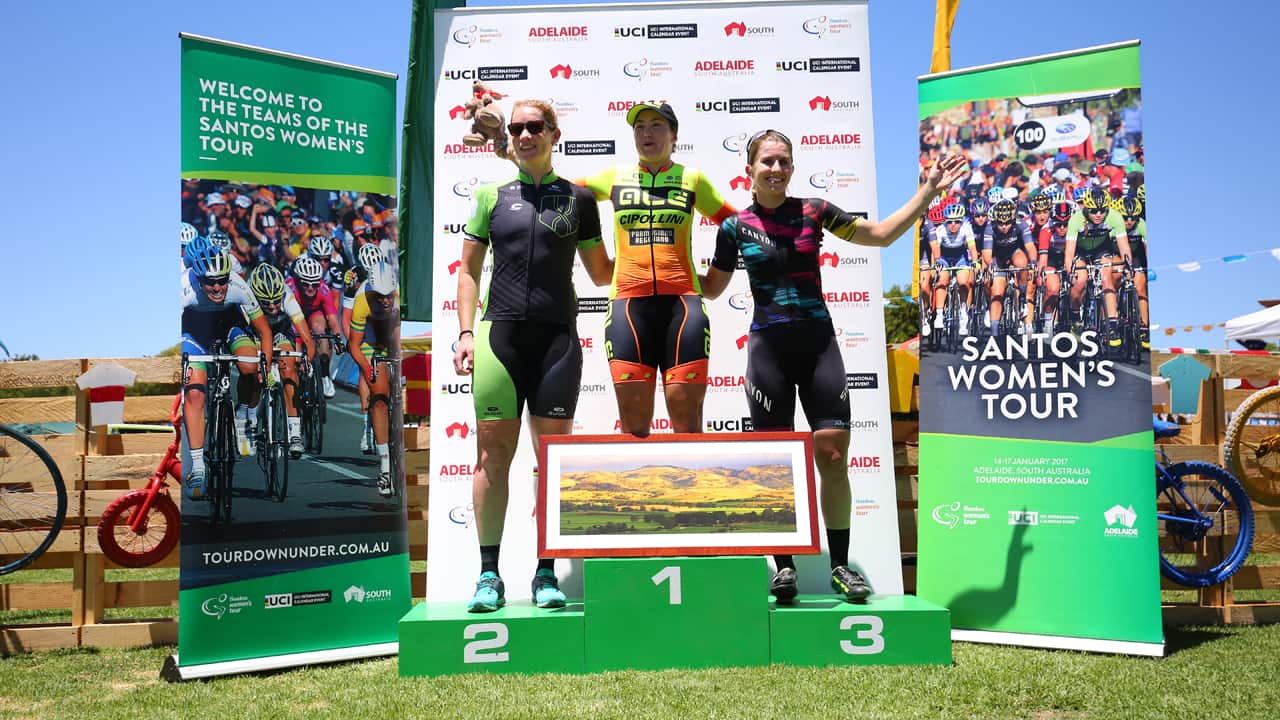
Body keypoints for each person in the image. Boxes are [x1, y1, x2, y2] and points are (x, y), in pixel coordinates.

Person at [703, 130, 968, 603]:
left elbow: (881, 235)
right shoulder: (734, 227)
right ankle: (782, 567)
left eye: (784, 161)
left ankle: (840, 566)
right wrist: (661, 250)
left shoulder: (814, 211)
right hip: (769, 350)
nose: (776, 169)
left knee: (831, 456)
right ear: (750, 170)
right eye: (767, 161)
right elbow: (711, 288)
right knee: (775, 465)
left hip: (818, 343)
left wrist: (928, 193)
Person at [453, 99, 613, 612]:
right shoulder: (489, 196)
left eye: (534, 127)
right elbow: (468, 272)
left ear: (554, 133)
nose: (525, 135)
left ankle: (546, 574)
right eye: (517, 128)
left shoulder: (579, 199)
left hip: (557, 344)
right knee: (492, 457)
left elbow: (603, 273)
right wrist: (463, 333)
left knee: (551, 464)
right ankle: (488, 575)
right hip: (499, 340)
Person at [577, 103, 735, 437]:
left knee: (686, 417)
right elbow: (560, 191)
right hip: (628, 307)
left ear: (674, 135)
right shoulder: (614, 177)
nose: (646, 133)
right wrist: (507, 153)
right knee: (633, 422)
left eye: (656, 126)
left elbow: (736, 223)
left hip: (683, 306)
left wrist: (717, 277)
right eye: (640, 127)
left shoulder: (692, 180)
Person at [180, 239, 273, 499]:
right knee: (195, 392)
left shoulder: (237, 285)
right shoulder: (182, 287)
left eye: (222, 280)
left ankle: (244, 414)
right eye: (211, 282)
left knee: (248, 365)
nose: (218, 287)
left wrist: (263, 365)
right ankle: (198, 466)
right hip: (193, 332)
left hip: (229, 325)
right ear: (198, 278)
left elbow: (264, 330)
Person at [347, 258, 401, 497]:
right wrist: (367, 368)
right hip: (369, 338)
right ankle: (385, 467)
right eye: (381, 296)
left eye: (389, 295)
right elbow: (355, 346)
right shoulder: (362, 301)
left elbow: (400, 338)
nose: (386, 300)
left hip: (391, 330)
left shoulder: (399, 297)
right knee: (379, 398)